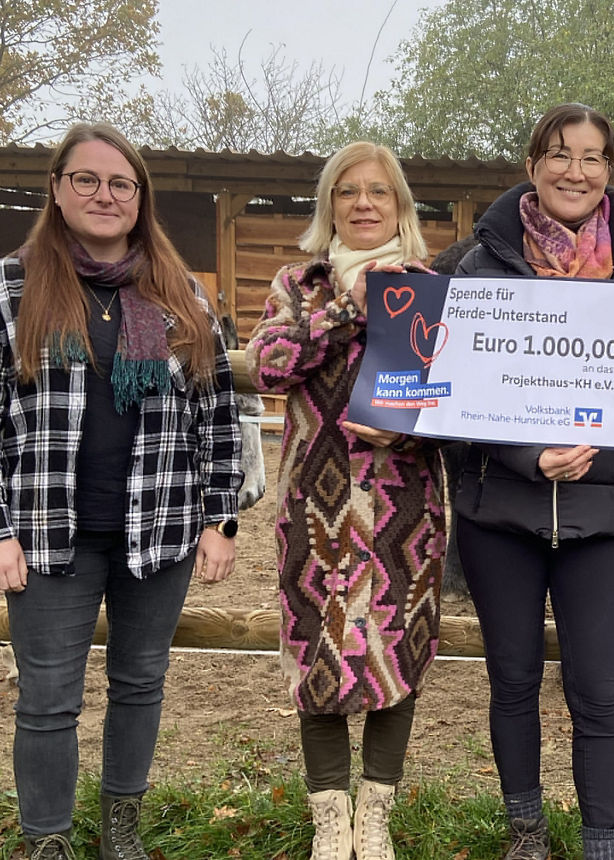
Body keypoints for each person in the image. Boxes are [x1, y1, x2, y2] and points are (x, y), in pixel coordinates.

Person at [0, 123, 242, 860]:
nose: (104, 195)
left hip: (163, 531)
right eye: (87, 179)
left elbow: (219, 415)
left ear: (139, 198)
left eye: (120, 183)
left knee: (140, 683)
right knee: (47, 701)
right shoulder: (8, 288)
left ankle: (121, 831)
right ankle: (47, 839)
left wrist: (221, 519)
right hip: (49, 536)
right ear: (57, 188)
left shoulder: (181, 295)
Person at [450, 103, 614, 860]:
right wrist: (528, 457)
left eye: (593, 157)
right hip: (501, 510)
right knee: (514, 682)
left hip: (602, 514)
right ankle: (526, 834)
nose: (576, 170)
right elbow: (458, 393)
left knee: (598, 697)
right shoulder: (481, 264)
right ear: (533, 166)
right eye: (561, 154)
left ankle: (603, 846)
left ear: (608, 173)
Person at [245, 141, 445, 860]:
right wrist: (344, 312)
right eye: (348, 192)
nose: (364, 204)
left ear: (401, 207)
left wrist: (407, 439)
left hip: (405, 506)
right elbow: (268, 366)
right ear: (329, 204)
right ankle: (331, 817)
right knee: (316, 654)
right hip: (316, 506)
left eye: (380, 192)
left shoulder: (431, 287)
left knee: (400, 648)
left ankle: (376, 814)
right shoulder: (298, 285)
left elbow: (457, 407)